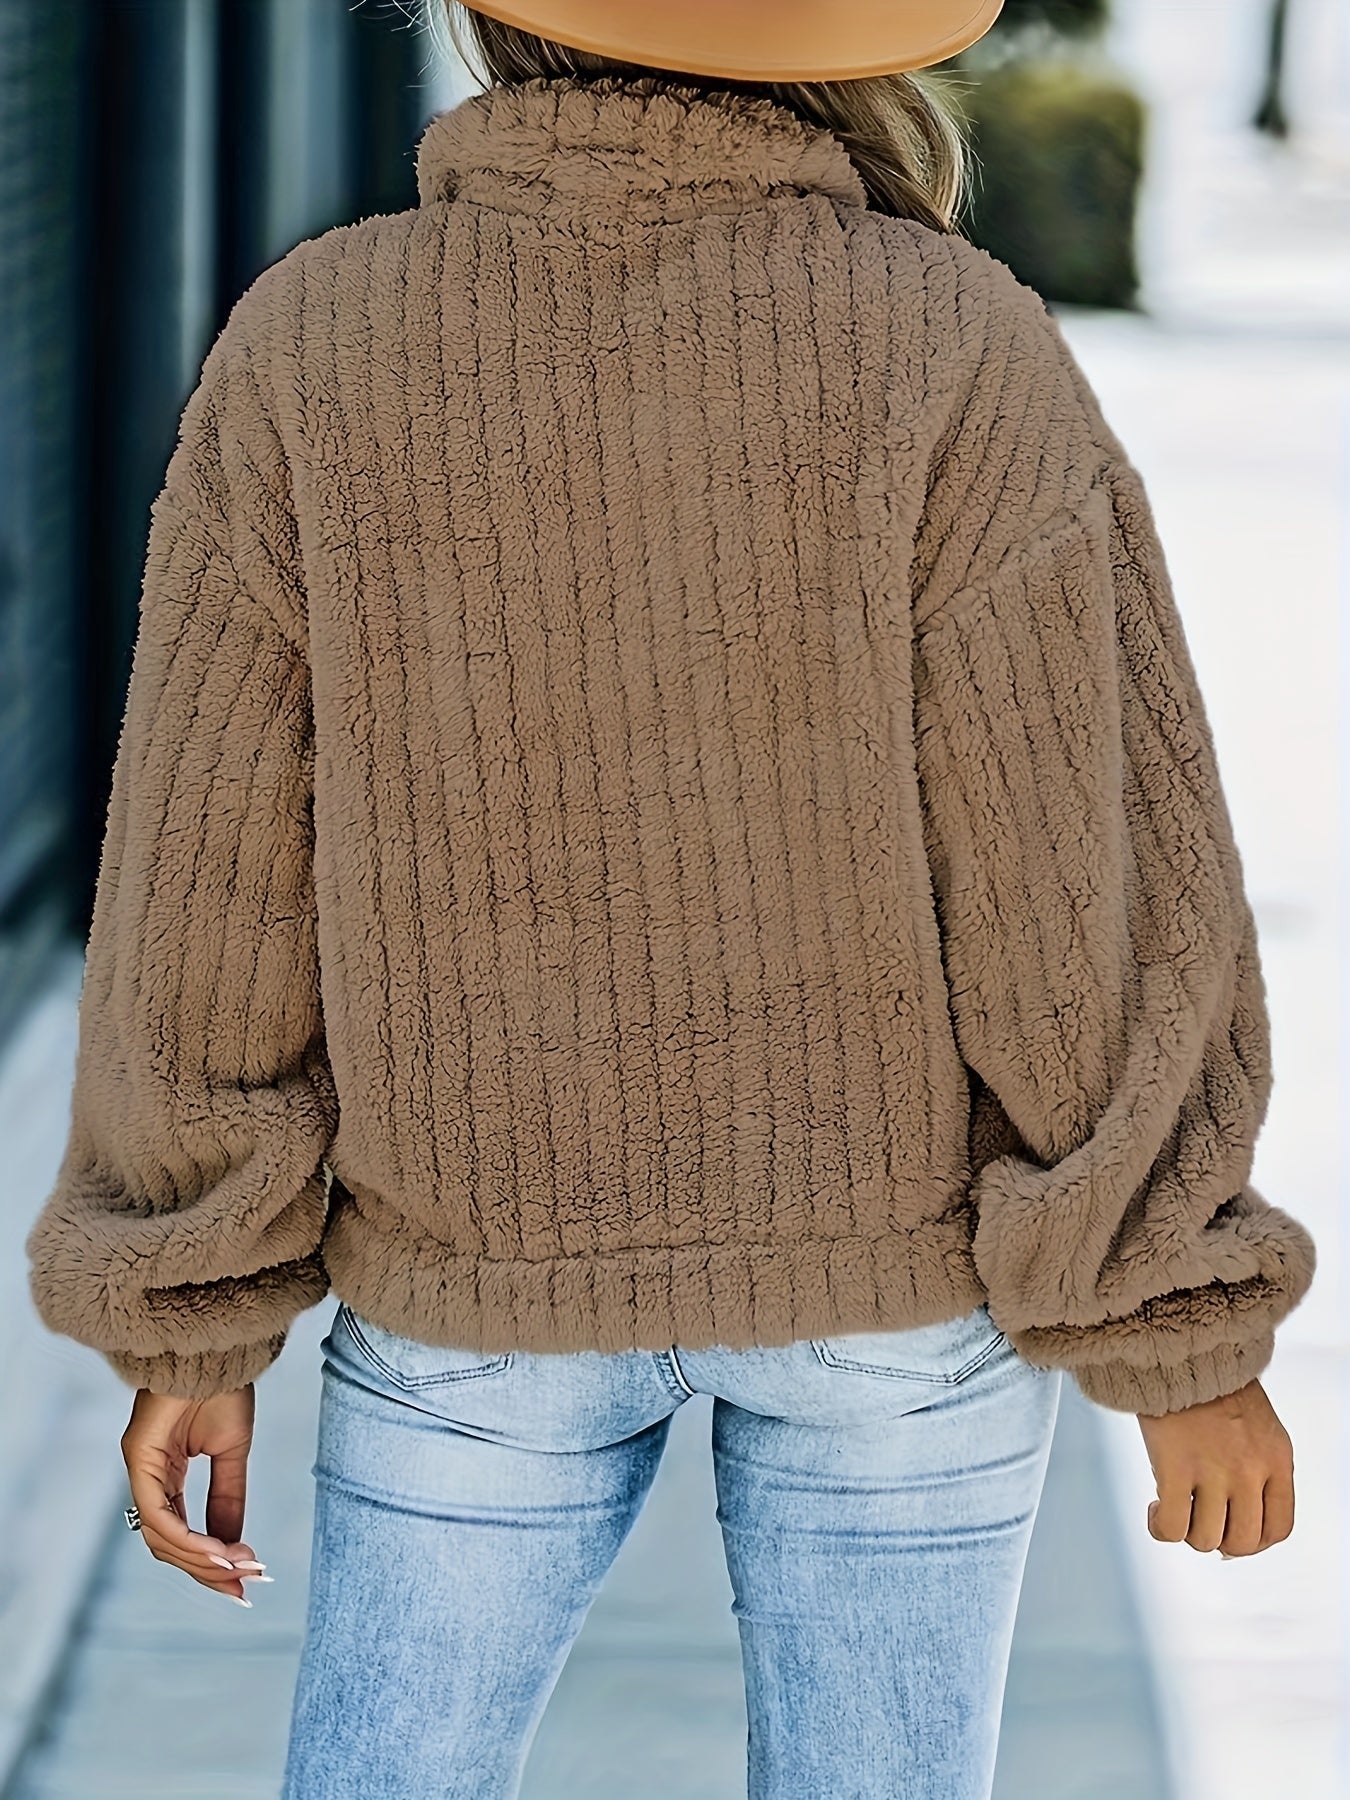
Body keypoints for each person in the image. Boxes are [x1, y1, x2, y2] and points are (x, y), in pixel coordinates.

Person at [24, 2, 1317, 1795]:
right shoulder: (949, 336)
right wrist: (1170, 1324)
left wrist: (192, 1308)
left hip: (469, 1282)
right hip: (893, 1292)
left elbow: (212, 867)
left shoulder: (318, 335)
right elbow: (1076, 874)